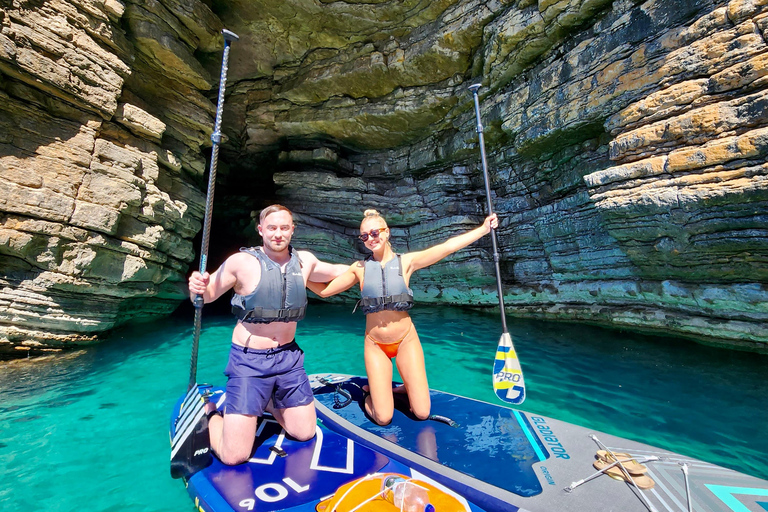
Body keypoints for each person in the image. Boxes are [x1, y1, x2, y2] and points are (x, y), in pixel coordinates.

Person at [187, 204, 347, 465]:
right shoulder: (241, 262)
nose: (278, 234)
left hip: (289, 359)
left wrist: (369, 266)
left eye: (284, 228)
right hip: (249, 361)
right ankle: (213, 414)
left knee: (304, 432)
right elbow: (206, 295)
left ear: (292, 230)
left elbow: (340, 272)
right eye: (272, 228)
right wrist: (196, 286)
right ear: (261, 230)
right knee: (234, 456)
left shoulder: (305, 261)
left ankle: (270, 401)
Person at [308, 209, 498, 426]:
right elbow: (324, 291)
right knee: (383, 417)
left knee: (422, 412)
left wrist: (483, 229)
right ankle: (371, 394)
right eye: (364, 236)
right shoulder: (359, 268)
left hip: (406, 340)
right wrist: (299, 274)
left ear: (386, 232)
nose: (370, 239)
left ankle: (399, 388)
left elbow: (446, 247)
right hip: (376, 344)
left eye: (375, 233)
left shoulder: (406, 262)